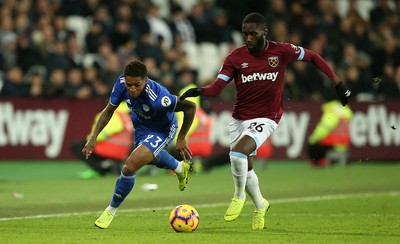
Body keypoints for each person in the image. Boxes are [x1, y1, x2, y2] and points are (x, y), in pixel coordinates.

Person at [180, 12, 351, 229]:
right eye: (245, 34)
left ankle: (238, 196)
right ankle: (261, 205)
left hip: (267, 117)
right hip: (240, 119)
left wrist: (337, 82)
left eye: (253, 34)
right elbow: (217, 88)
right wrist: (199, 90)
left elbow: (314, 57)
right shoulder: (235, 57)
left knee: (238, 152)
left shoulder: (281, 51)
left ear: (264, 32)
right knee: (244, 166)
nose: (248, 38)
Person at [82, 60, 196, 229]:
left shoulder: (159, 97)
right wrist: (94, 137)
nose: (132, 89)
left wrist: (181, 138)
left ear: (145, 80)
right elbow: (108, 111)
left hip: (163, 129)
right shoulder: (121, 84)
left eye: (137, 84)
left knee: (130, 166)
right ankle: (180, 168)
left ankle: (110, 211)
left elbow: (190, 107)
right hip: (141, 126)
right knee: (148, 158)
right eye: (129, 85)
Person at [71, 102, 133, 179]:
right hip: (122, 153)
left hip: (108, 149)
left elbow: (103, 133)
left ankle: (101, 168)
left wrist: (89, 139)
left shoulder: (112, 114)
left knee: (78, 146)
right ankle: (109, 164)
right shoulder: (125, 116)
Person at [308, 96, 353, 167]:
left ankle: (320, 161)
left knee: (311, 145)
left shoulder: (331, 111)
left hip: (333, 144)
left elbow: (323, 129)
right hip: (344, 144)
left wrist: (312, 139)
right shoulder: (346, 110)